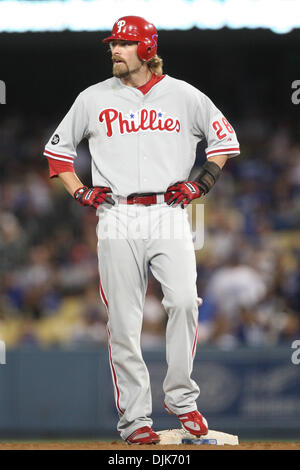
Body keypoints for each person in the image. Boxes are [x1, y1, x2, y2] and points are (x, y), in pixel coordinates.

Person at [43, 15, 240, 444]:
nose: (115, 49)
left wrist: (201, 182)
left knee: (186, 301)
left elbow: (224, 143)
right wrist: (79, 191)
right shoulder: (92, 98)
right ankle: (135, 421)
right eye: (113, 43)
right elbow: (57, 155)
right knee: (123, 323)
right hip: (116, 214)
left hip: (169, 210)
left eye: (125, 43)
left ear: (148, 49)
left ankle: (181, 398)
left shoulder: (184, 95)